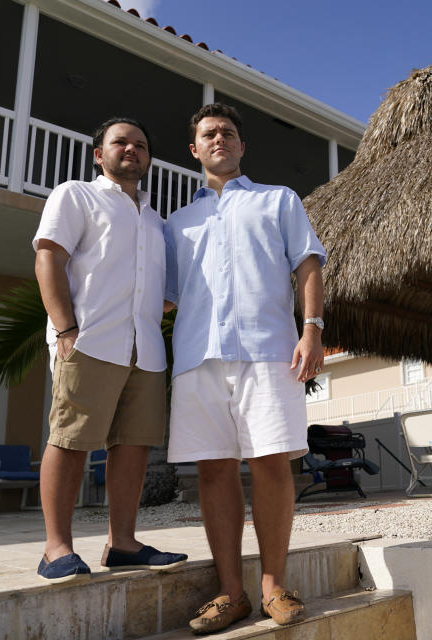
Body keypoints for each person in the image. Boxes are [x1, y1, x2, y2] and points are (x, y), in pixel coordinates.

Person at [164, 102, 325, 634]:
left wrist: (312, 329)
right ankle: (231, 593)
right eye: (208, 133)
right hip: (196, 357)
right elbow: (162, 297)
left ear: (241, 145)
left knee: (272, 463)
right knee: (212, 468)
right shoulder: (177, 224)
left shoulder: (277, 201)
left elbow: (307, 264)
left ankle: (273, 585)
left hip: (269, 350)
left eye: (228, 133)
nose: (219, 139)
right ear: (194, 149)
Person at [33, 117, 187, 583]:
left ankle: (123, 543)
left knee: (134, 446)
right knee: (71, 440)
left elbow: (166, 293)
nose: (132, 150)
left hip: (145, 351)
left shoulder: (158, 222)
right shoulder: (75, 195)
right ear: (99, 153)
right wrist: (66, 330)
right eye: (120, 143)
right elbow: (48, 258)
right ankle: (55, 549)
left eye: (141, 145)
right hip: (89, 340)